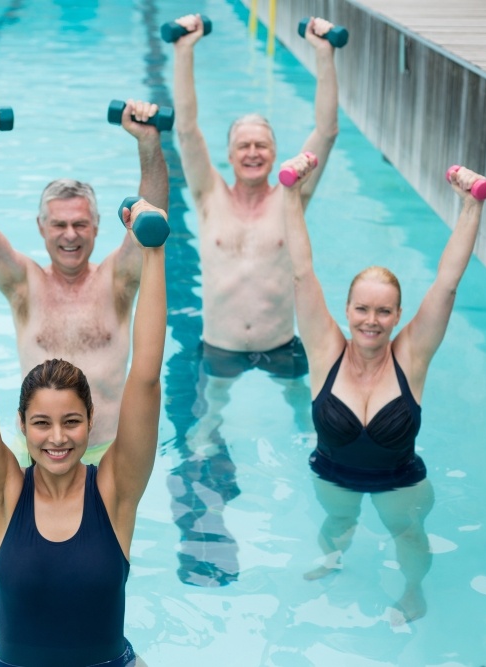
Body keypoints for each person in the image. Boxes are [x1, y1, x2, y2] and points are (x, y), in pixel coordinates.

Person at [0, 200, 166, 667]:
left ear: (91, 421)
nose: (57, 438)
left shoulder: (116, 492)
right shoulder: (4, 492)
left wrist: (154, 253)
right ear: (22, 426)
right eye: (41, 423)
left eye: (71, 421)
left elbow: (146, 378)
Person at [281, 153, 486, 624]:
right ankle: (333, 559)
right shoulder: (325, 351)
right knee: (339, 523)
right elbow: (300, 272)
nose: (371, 321)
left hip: (400, 482)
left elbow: (448, 284)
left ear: (398, 317)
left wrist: (471, 208)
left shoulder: (411, 358)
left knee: (408, 536)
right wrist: (291, 195)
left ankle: (414, 590)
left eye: (383, 312)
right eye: (362, 309)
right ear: (347, 309)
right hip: (333, 473)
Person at [0, 101, 169, 463]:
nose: (70, 235)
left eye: (80, 224)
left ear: (98, 226)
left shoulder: (117, 280)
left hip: (106, 455)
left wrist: (147, 142)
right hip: (35, 455)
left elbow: (152, 219)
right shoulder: (23, 285)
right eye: (59, 225)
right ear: (41, 227)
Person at [169, 14, 340, 435]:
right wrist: (183, 51)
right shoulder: (210, 197)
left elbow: (327, 131)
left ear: (275, 151)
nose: (252, 152)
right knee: (207, 425)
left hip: (281, 345)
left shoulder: (291, 197)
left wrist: (324, 55)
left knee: (308, 422)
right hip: (220, 346)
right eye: (243, 145)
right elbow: (187, 131)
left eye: (261, 144)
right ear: (228, 153)